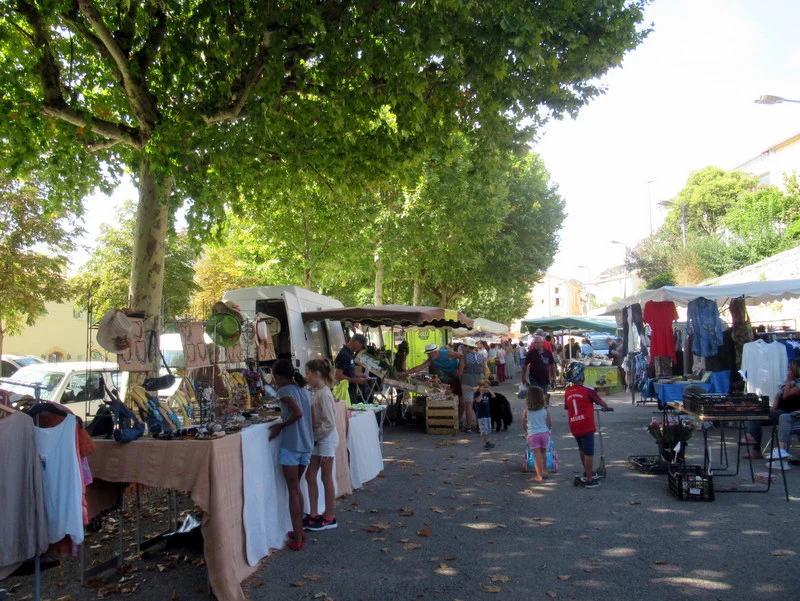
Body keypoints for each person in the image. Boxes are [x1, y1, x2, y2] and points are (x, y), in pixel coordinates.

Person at [268, 359, 313, 550]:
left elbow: (298, 413)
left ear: (278, 376)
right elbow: (307, 414)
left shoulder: (283, 391)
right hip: (306, 444)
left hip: (292, 444)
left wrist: (280, 425)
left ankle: (297, 537)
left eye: (274, 377)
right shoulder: (304, 391)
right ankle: (299, 530)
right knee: (297, 488)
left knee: (293, 490)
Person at [303, 358, 339, 532]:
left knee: (326, 478)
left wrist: (315, 437)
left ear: (316, 374)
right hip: (318, 438)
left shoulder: (324, 393)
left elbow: (329, 422)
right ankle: (314, 512)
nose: (306, 377)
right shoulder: (317, 391)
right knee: (310, 476)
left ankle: (329, 516)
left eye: (308, 373)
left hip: (325, 439)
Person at [564, 361, 610, 488]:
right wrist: (607, 407)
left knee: (582, 449)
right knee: (589, 452)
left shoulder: (567, 392)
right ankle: (589, 479)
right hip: (586, 425)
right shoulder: (587, 390)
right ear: (581, 376)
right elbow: (600, 401)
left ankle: (586, 471)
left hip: (574, 425)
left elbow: (568, 407)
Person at [745, 359, 800, 460]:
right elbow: (778, 396)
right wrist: (773, 408)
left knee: (773, 415)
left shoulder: (797, 383)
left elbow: (787, 395)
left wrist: (788, 381)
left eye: (790, 368)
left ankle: (751, 438)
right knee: (756, 414)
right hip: (779, 409)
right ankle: (755, 448)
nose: (788, 370)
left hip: (789, 412)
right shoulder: (790, 382)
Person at [522, 385, 552, 483]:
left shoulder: (526, 411)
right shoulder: (544, 410)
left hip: (533, 434)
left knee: (537, 455)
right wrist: (548, 430)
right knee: (544, 453)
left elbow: (524, 424)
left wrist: (527, 431)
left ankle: (539, 476)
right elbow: (549, 423)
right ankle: (544, 470)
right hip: (544, 434)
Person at [334, 334, 370, 404]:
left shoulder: (349, 353)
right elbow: (338, 375)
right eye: (361, 346)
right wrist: (355, 380)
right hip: (345, 391)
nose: (360, 349)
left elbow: (347, 372)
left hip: (350, 389)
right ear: (356, 342)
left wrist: (358, 375)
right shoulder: (344, 354)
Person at [459, 338, 484, 432]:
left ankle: (468, 427)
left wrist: (461, 380)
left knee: (468, 406)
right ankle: (479, 426)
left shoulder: (464, 357)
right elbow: (483, 368)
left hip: (467, 381)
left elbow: (460, 372)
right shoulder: (481, 356)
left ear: (466, 347)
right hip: (479, 382)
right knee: (478, 404)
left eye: (464, 346)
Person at [472, 379, 496, 450]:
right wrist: (481, 393)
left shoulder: (487, 393)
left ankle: (487, 442)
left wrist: (489, 390)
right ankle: (486, 443)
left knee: (488, 429)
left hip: (487, 414)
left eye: (487, 387)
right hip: (481, 415)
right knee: (484, 430)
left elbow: (494, 396)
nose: (485, 389)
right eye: (484, 387)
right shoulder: (477, 394)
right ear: (479, 387)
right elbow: (477, 400)